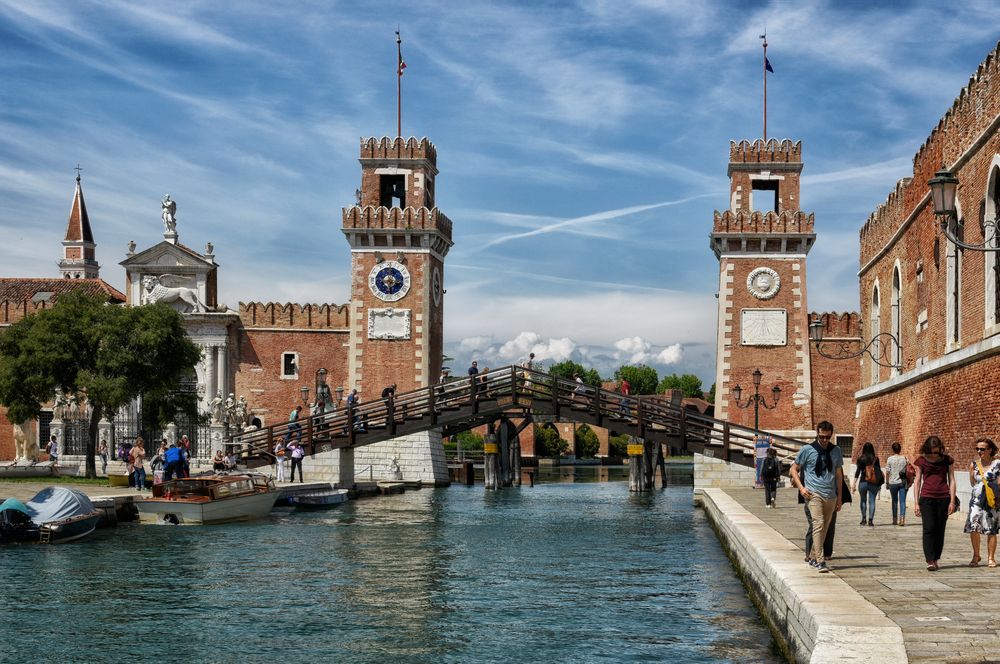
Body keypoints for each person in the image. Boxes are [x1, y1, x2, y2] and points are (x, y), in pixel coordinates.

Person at [790, 421, 843, 573]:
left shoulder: (836, 450)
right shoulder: (807, 449)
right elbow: (794, 469)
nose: (824, 440)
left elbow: (839, 475)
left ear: (831, 434)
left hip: (831, 495)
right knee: (818, 524)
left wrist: (839, 497)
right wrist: (801, 488)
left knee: (825, 528)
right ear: (817, 434)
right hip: (813, 494)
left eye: (827, 437)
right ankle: (820, 561)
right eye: (821, 437)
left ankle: (813, 556)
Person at [913, 435, 958, 571]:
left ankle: (936, 558)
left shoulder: (947, 460)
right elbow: (917, 481)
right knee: (929, 528)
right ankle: (930, 560)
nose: (934, 454)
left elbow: (952, 480)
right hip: (926, 498)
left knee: (940, 529)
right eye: (931, 451)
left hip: (943, 497)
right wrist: (916, 503)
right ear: (927, 449)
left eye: (936, 451)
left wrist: (952, 500)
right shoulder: (921, 461)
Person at [965, 437, 1000, 568]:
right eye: (977, 449)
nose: (979, 451)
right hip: (976, 501)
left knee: (991, 529)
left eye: (982, 449)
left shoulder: (997, 464)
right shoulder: (973, 465)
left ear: (990, 450)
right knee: (974, 527)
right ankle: (976, 555)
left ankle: (991, 557)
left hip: (992, 501)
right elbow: (973, 482)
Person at [852, 442, 884, 527]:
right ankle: (870, 521)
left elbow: (857, 472)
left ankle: (863, 519)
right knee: (872, 501)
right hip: (873, 482)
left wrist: (854, 483)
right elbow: (878, 471)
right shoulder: (875, 459)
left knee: (863, 500)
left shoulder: (861, 459)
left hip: (863, 482)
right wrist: (879, 484)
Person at [884, 442, 910, 526]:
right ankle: (902, 519)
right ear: (900, 449)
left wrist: (887, 482)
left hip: (893, 483)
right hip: (902, 482)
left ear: (893, 449)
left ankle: (894, 519)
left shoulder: (890, 459)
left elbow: (887, 472)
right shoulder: (904, 458)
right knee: (902, 501)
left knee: (894, 501)